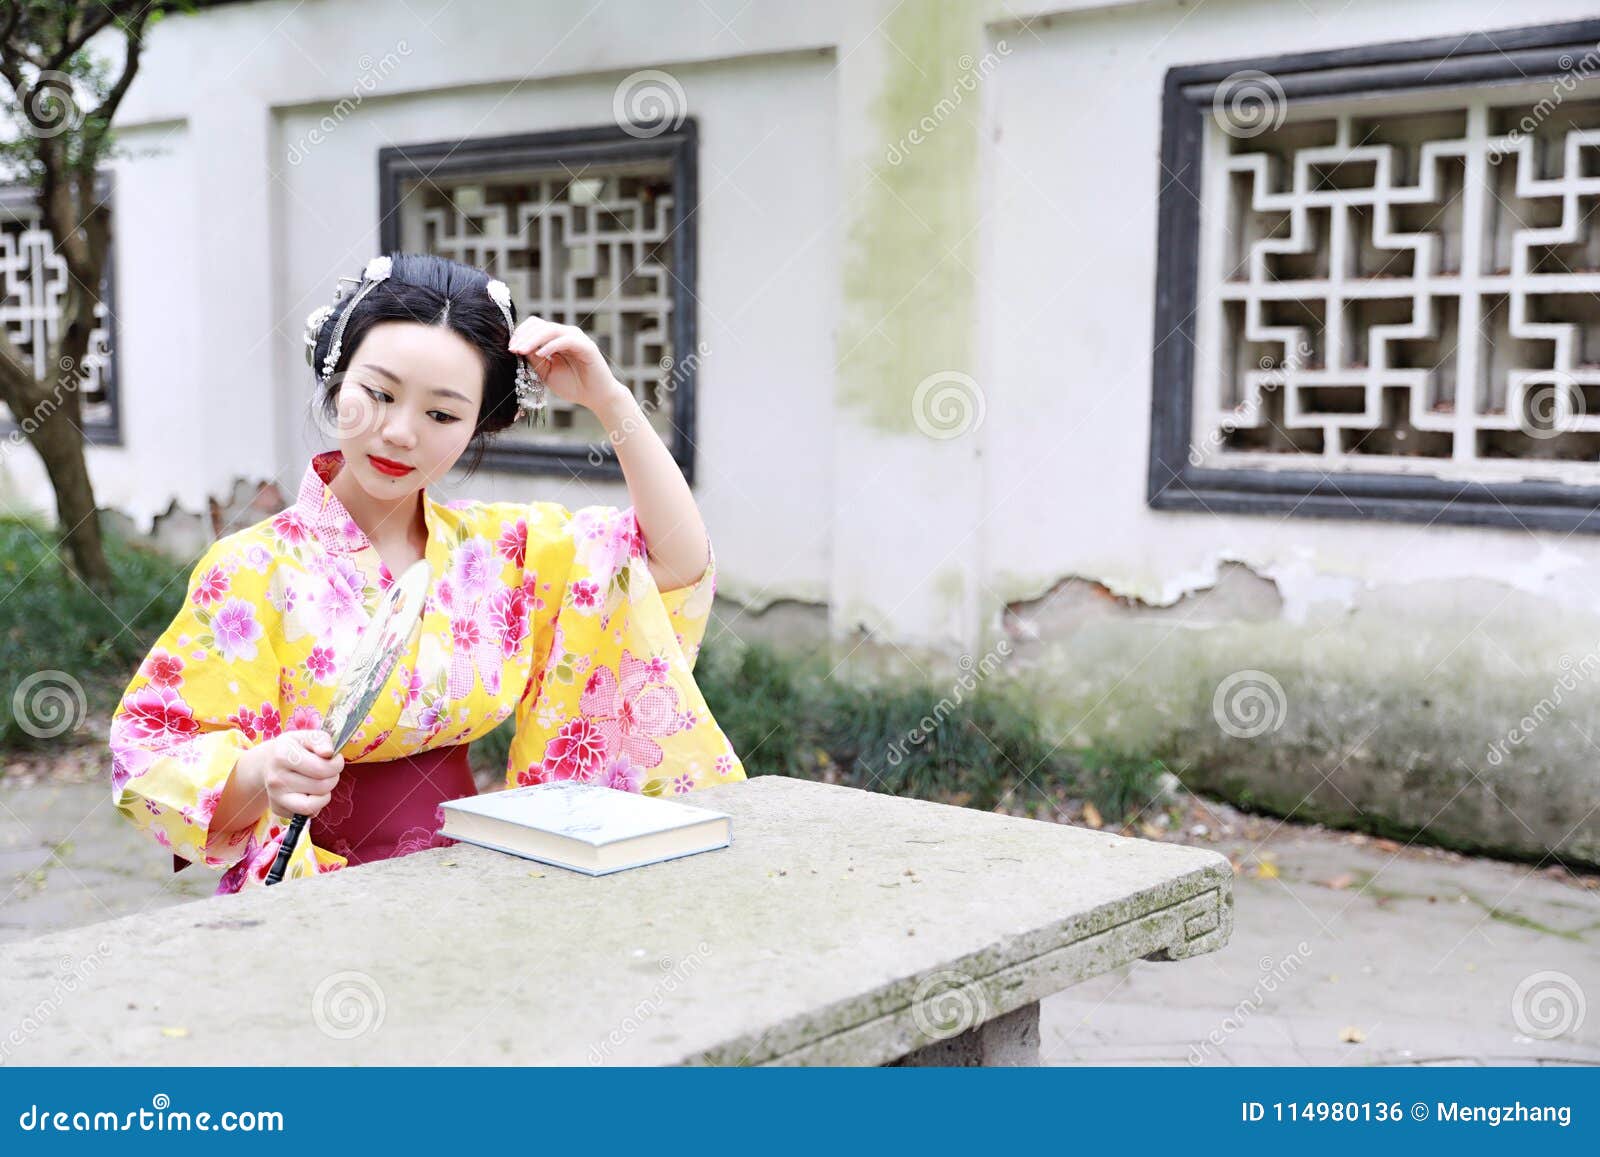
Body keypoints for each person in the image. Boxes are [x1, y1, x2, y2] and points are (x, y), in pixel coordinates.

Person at [108, 252, 744, 894]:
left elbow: (670, 561)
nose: (400, 432)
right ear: (336, 378)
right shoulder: (251, 568)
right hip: (315, 890)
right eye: (378, 394)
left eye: (442, 414)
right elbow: (151, 753)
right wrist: (259, 771)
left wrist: (611, 403)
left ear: (478, 425)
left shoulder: (502, 548)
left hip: (478, 872)